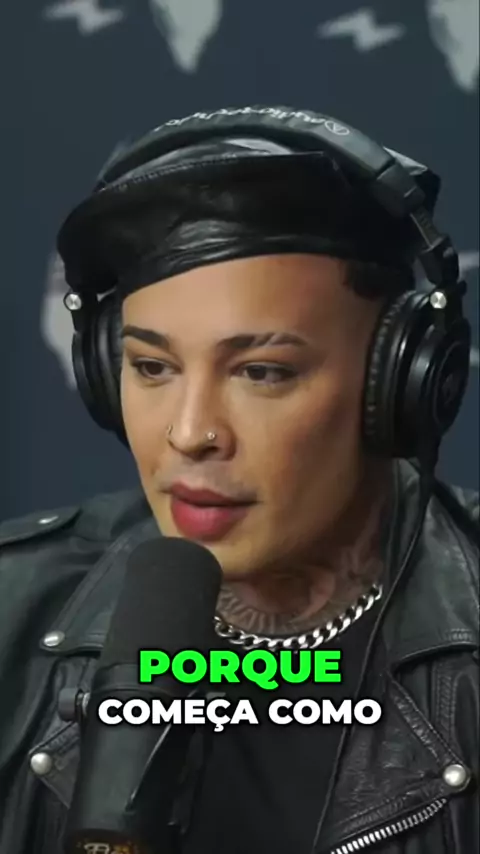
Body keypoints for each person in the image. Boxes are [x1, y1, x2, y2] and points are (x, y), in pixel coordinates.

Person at [0, 106, 478, 854]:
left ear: (400, 384)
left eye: (262, 372)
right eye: (151, 366)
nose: (190, 433)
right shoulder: (11, 612)